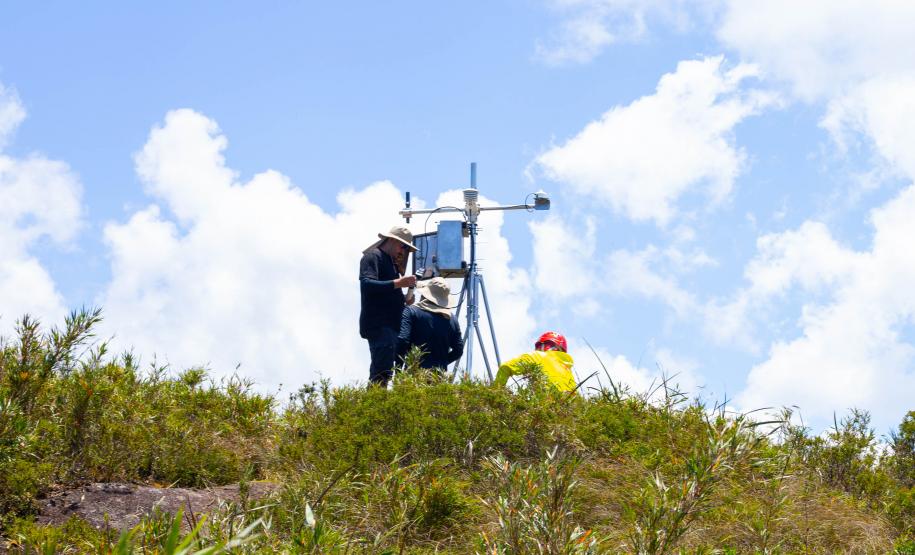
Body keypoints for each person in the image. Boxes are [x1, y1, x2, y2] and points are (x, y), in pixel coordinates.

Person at [359, 226, 417, 387]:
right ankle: (374, 408)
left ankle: (376, 406)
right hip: (379, 325)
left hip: (389, 326)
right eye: (403, 246)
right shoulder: (373, 257)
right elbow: (367, 285)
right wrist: (399, 283)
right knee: (381, 373)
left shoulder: (391, 264)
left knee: (384, 373)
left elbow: (387, 291)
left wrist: (405, 299)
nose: (403, 251)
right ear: (392, 240)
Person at [397, 277, 463, 371]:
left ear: (425, 294)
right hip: (438, 377)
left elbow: (403, 340)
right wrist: (441, 364)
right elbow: (458, 350)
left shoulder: (411, 311)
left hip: (413, 373)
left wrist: (399, 368)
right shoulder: (452, 319)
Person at [493, 331, 576, 392]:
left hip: (544, 410)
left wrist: (495, 394)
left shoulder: (538, 356)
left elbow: (505, 367)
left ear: (544, 345)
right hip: (568, 413)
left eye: (540, 346)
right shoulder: (569, 372)